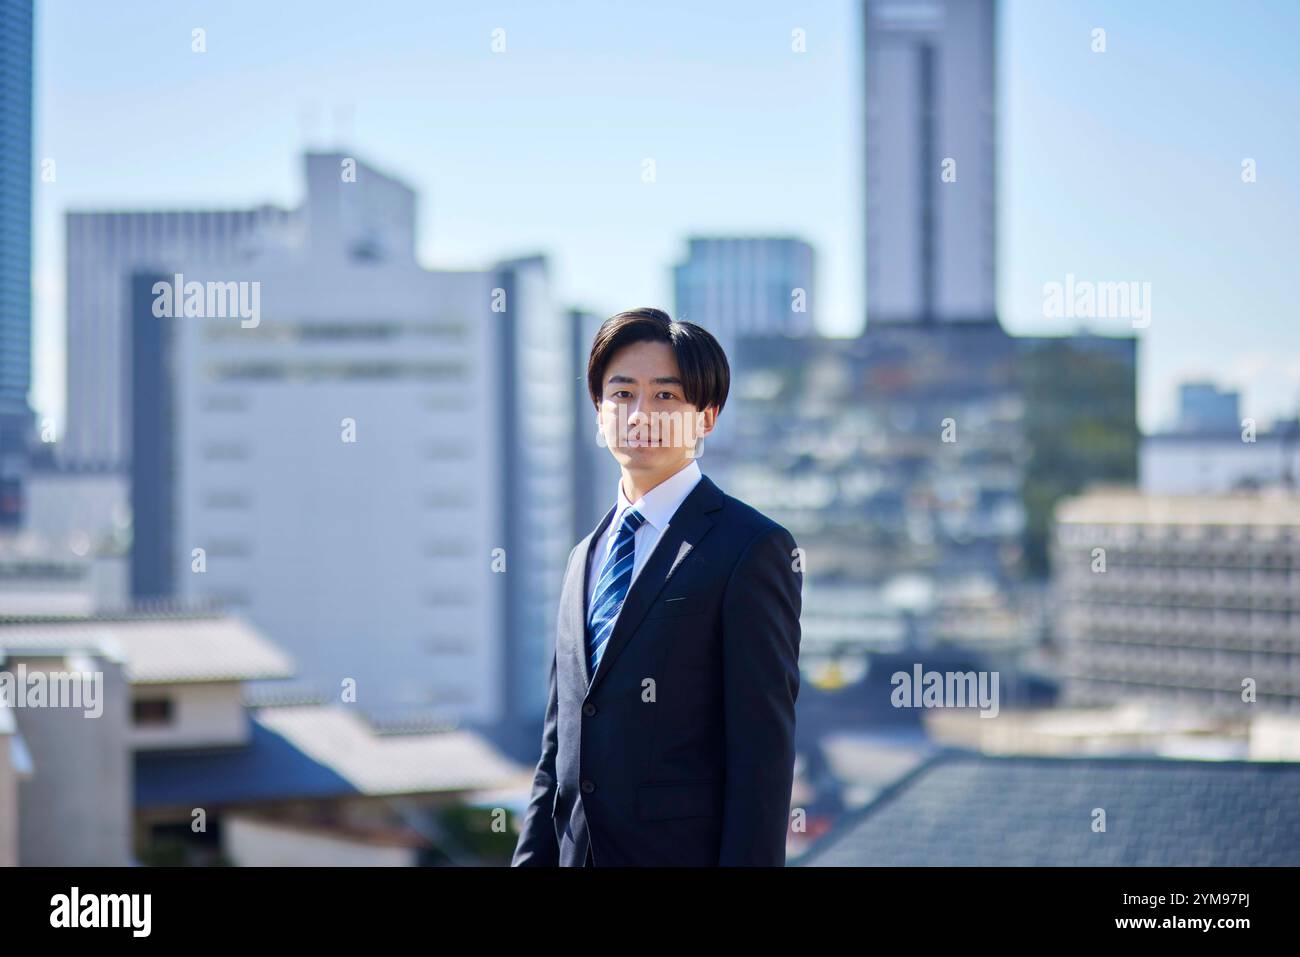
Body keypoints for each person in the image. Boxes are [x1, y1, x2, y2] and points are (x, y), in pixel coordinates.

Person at [511, 307, 803, 867]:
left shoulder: (751, 548)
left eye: (665, 397)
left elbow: (762, 760)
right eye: (622, 394)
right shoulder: (583, 557)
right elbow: (558, 754)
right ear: (599, 411)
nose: (640, 413)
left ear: (707, 417)